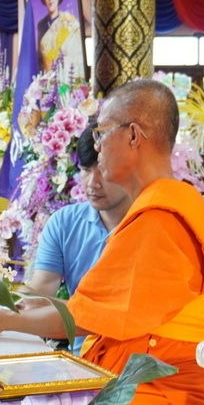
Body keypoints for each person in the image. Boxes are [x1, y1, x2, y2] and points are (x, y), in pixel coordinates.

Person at [0, 79, 204, 405]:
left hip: (170, 388)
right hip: (141, 374)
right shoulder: (162, 204)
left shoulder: (163, 217)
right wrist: (26, 308)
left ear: (133, 135)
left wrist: (5, 321)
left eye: (101, 133)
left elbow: (87, 317)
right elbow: (102, 310)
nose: (97, 145)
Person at [18, 127, 134, 353]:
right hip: (82, 356)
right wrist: (10, 300)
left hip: (138, 359)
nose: (93, 183)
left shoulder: (149, 224)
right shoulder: (64, 223)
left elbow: (117, 314)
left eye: (103, 171)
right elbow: (40, 294)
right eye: (85, 170)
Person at [35, 0, 83, 74]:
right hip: (47, 82)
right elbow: (40, 62)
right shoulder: (41, 25)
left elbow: (78, 57)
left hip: (68, 80)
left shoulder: (69, 22)